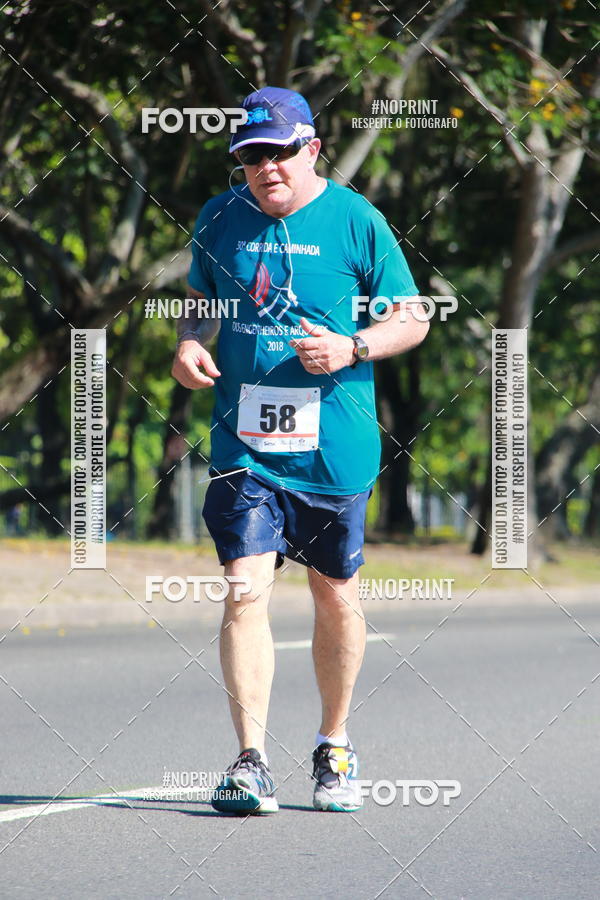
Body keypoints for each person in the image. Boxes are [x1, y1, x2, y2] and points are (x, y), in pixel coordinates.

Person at [171, 86, 429, 814]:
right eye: (251, 156)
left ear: (311, 148)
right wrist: (188, 343)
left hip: (334, 449)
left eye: (279, 152)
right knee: (244, 585)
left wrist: (354, 346)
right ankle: (250, 762)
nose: (265, 168)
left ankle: (333, 741)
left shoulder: (356, 219)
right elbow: (200, 299)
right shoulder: (219, 216)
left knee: (334, 593)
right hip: (244, 445)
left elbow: (413, 317)